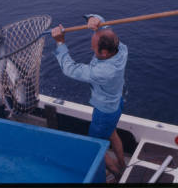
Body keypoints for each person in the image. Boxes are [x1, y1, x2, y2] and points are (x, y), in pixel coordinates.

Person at [51, 14, 128, 180]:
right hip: (116, 104)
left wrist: (60, 42)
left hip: (104, 112)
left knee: (95, 147)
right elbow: (105, 28)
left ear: (105, 53)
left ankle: (117, 174)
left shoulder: (104, 72)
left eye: (93, 49)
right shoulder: (121, 49)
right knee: (112, 134)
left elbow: (70, 69)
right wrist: (94, 19)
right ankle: (122, 164)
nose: (92, 49)